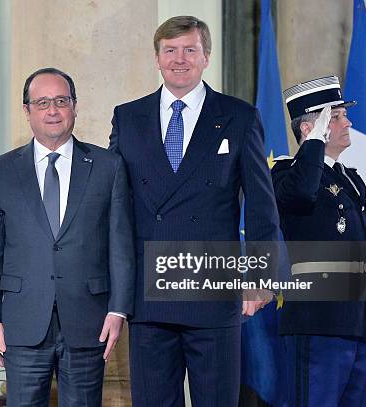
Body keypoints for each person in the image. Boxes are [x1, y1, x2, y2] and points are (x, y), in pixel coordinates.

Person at [109, 16, 280, 406]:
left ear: (206, 57)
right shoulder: (128, 117)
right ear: (157, 58)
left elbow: (261, 204)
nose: (179, 59)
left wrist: (261, 274)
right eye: (170, 51)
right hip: (149, 293)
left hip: (213, 291)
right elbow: (114, 203)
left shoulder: (238, 116)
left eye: (189, 50)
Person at [0, 67, 135, 406]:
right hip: (21, 323)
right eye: (43, 102)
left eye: (61, 101)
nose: (52, 110)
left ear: (75, 107)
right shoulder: (1, 171)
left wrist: (118, 310)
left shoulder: (108, 167)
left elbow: (120, 245)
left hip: (89, 321)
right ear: (27, 111)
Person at [273, 75, 366, 406]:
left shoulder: (350, 179)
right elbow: (303, 193)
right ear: (310, 127)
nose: (348, 122)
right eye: (335, 117)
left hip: (358, 324)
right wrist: (314, 143)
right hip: (318, 323)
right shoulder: (285, 173)